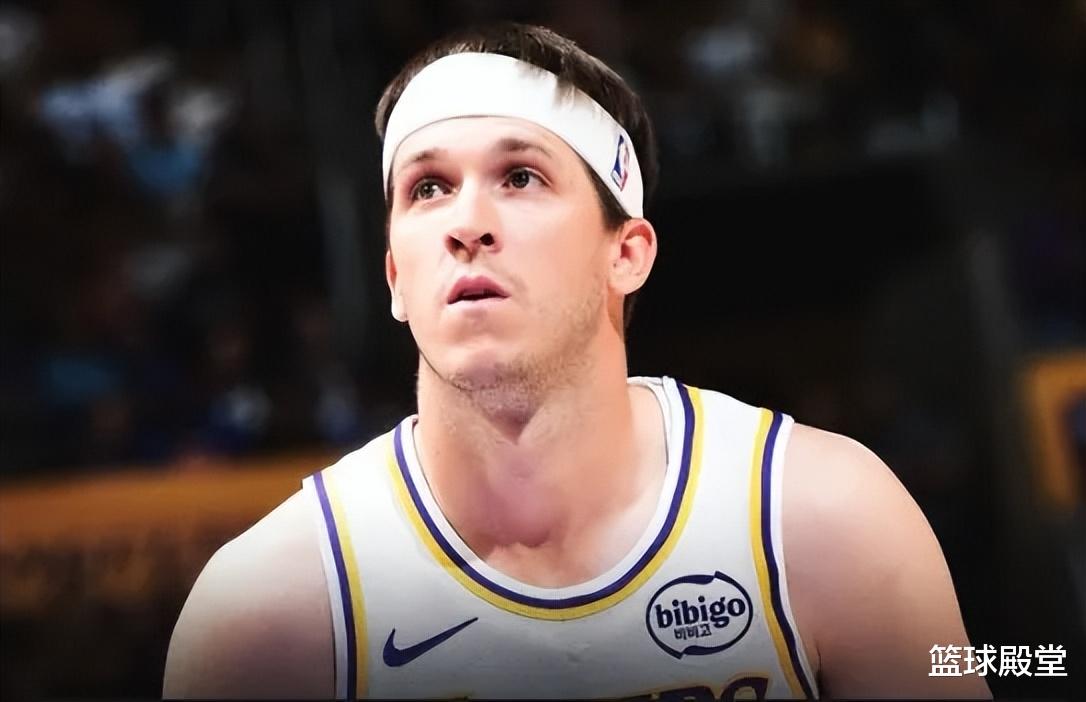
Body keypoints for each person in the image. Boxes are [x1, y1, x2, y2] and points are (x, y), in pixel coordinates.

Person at [163, 23, 991, 700]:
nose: (466, 223)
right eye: (427, 188)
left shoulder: (826, 519)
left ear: (626, 253)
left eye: (520, 176)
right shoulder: (266, 615)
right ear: (394, 278)